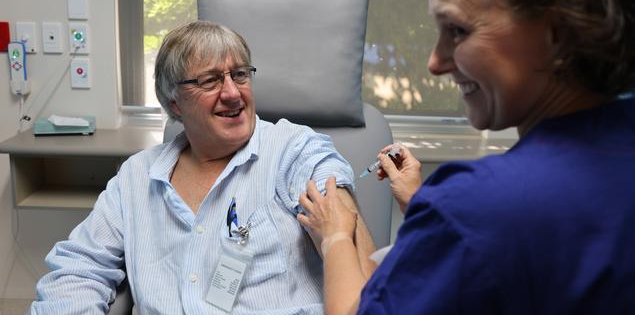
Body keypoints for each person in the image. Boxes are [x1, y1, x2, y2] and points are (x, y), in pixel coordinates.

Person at [297, 0, 635, 314]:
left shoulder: (476, 209)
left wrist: (336, 235)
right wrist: (432, 212)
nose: (435, 63)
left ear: (559, 31)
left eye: (457, 31)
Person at [31, 20, 376, 314]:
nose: (232, 94)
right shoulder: (137, 179)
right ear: (174, 104)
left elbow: (355, 254)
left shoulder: (294, 150)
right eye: (209, 81)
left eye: (240, 75)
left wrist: (338, 238)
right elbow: (79, 271)